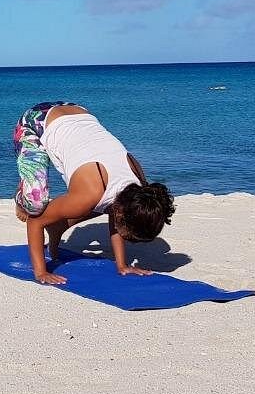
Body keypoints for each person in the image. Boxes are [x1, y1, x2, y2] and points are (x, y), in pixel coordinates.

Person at [12, 102, 176, 284]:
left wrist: (122, 265)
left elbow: (116, 212)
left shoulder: (138, 188)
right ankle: (22, 195)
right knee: (35, 206)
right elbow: (35, 222)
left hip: (76, 111)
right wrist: (41, 272)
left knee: (102, 204)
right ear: (121, 213)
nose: (128, 240)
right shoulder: (89, 193)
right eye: (129, 237)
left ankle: (57, 226)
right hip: (36, 122)